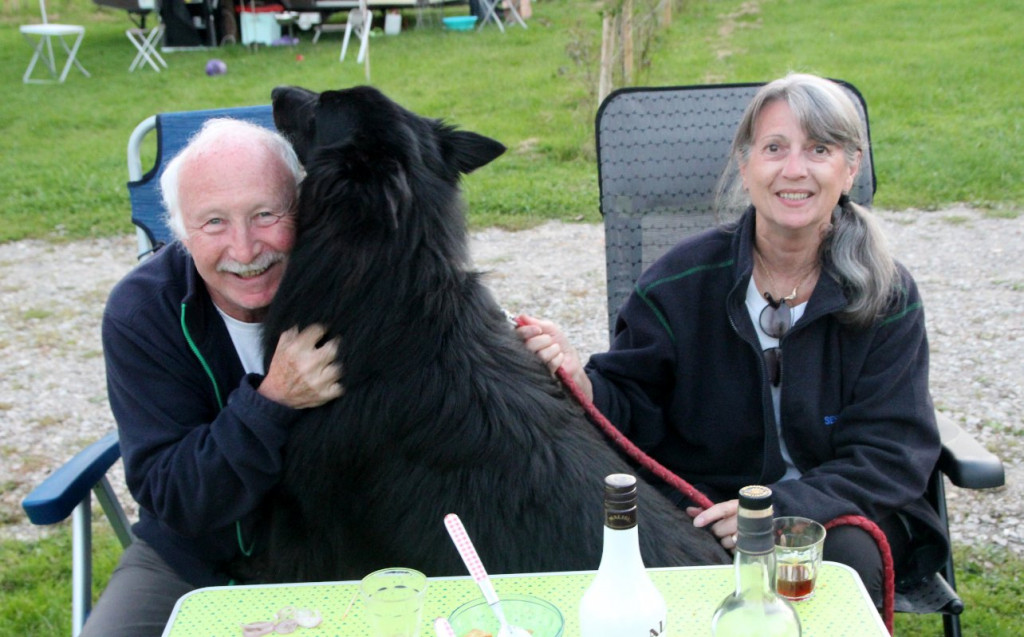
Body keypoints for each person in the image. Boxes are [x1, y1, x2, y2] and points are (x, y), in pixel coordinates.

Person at [518, 73, 948, 605]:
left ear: (850, 167)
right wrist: (581, 381)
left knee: (835, 561)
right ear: (745, 166)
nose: (795, 169)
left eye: (819, 148)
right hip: (704, 507)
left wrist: (778, 507)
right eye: (774, 148)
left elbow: (891, 453)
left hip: (832, 510)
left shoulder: (886, 292)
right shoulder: (677, 281)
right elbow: (630, 406)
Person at [82, 119, 343, 637]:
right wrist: (273, 402)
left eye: (265, 214)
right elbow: (173, 497)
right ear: (180, 232)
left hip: (341, 548)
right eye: (215, 223)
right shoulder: (142, 312)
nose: (245, 251)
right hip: (195, 557)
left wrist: (543, 364)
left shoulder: (353, 280)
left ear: (303, 210)